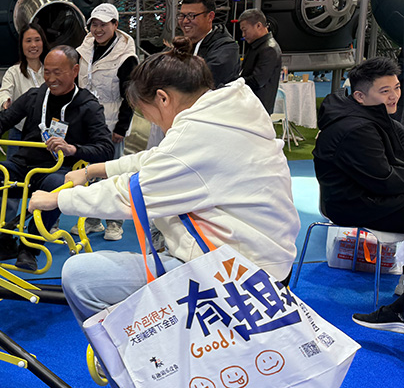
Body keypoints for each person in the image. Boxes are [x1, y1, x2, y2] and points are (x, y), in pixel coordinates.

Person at [28, 37, 298, 324]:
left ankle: (132, 348)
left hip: (234, 273)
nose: (154, 123)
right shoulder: (229, 112)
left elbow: (131, 194)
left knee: (80, 275)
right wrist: (95, 170)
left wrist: (57, 198)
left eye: (147, 114)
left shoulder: (197, 134)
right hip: (263, 261)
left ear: (163, 98)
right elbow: (158, 158)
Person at [0, 46, 114, 271]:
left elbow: (106, 149)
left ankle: (30, 246)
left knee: (56, 183)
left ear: (75, 71)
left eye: (57, 72)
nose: (50, 79)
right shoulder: (36, 95)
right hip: (22, 168)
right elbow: (4, 118)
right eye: (47, 72)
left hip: (59, 171)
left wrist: (73, 149)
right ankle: (2, 240)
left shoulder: (88, 105)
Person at [313, 56, 404, 232]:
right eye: (385, 91)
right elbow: (383, 181)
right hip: (356, 206)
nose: (394, 96)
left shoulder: (374, 114)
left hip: (373, 197)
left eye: (397, 87)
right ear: (360, 96)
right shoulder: (355, 129)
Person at [76, 3, 139, 241]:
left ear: (115, 25)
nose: (98, 29)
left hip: (112, 122)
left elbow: (130, 95)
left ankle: (115, 222)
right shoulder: (84, 49)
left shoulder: (126, 57)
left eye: (103, 24)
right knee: (88, 172)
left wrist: (121, 127)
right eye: (94, 24)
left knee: (113, 174)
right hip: (86, 122)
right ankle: (92, 220)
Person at [0, 22, 49, 154]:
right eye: (28, 41)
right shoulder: (14, 72)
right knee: (14, 167)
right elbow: (3, 91)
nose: (33, 45)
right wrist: (5, 102)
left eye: (37, 40)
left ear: (43, 42)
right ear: (21, 45)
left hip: (49, 136)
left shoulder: (51, 70)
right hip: (20, 134)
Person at [178, 0, 239, 87]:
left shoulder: (226, 48)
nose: (185, 21)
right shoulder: (181, 46)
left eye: (191, 16)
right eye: (182, 16)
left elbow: (201, 80)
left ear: (210, 17)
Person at [238, 8, 282, 112]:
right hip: (251, 104)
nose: (243, 35)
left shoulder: (269, 49)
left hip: (258, 108)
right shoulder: (257, 46)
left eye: (245, 30)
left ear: (258, 25)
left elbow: (257, 81)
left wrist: (235, 83)